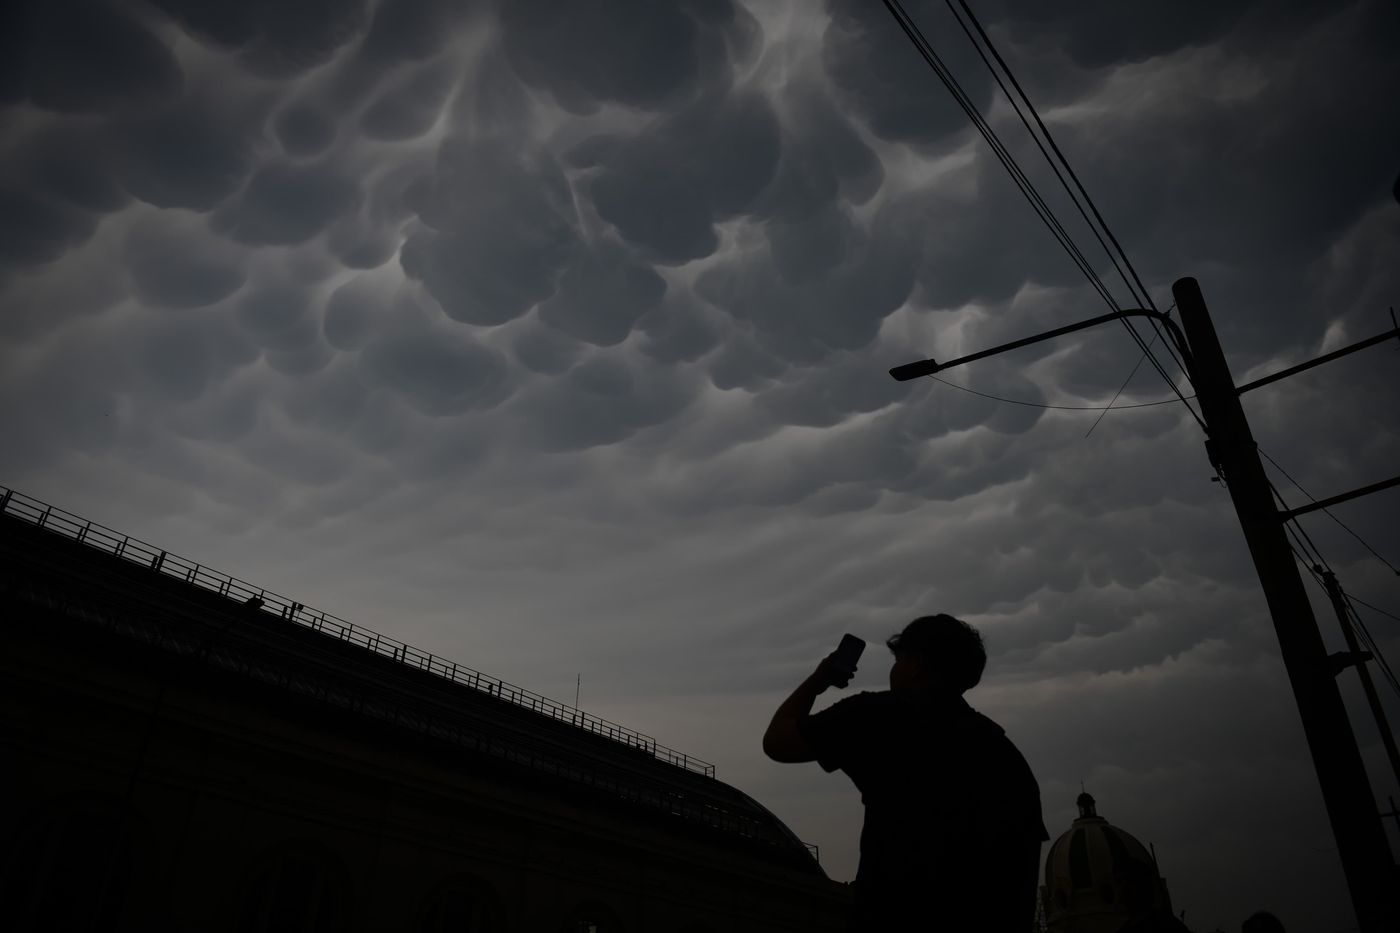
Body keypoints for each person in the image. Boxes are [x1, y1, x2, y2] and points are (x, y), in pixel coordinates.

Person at [764, 614, 1048, 931]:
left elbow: (777, 741)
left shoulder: (878, 717)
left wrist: (818, 681)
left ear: (916, 664)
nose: (894, 670)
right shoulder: (1007, 758)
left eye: (898, 660)